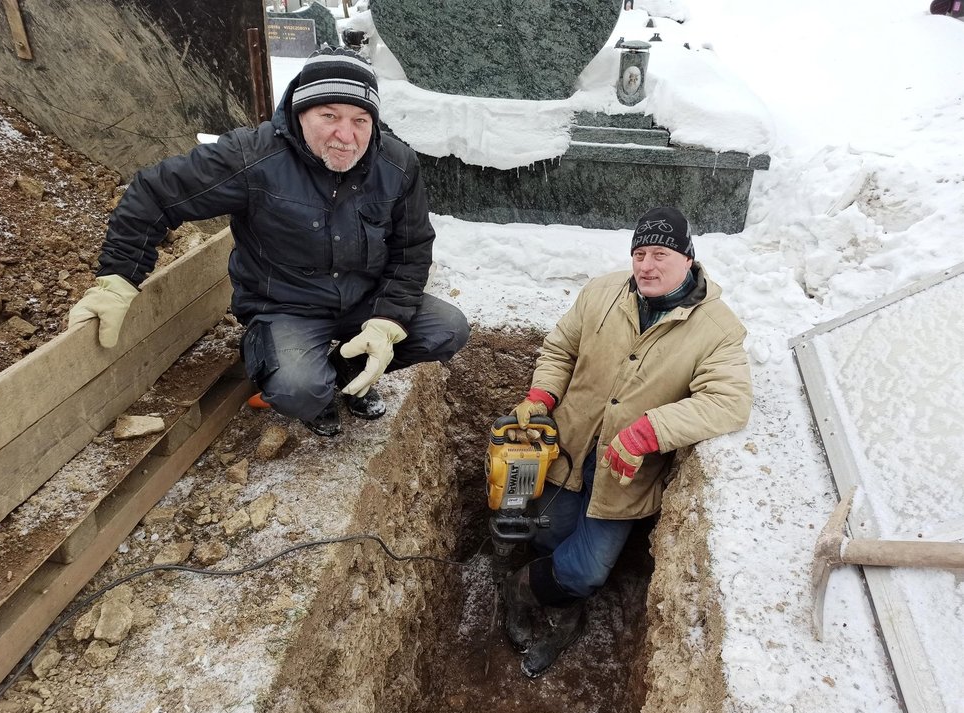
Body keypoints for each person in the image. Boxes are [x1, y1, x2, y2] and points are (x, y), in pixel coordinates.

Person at [68, 48, 470, 436]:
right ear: (300, 110)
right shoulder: (253, 158)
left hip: (365, 299)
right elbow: (155, 193)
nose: (345, 135)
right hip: (287, 307)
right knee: (299, 390)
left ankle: (344, 373)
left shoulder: (396, 165)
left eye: (360, 119)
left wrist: (387, 319)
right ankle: (313, 390)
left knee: (447, 328)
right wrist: (118, 278)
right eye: (329, 115)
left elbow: (411, 248)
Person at [503, 206, 752, 677]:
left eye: (661, 253)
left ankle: (525, 591)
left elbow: (729, 402)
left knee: (588, 570)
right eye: (639, 253)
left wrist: (647, 431)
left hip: (623, 473)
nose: (647, 265)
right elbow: (560, 349)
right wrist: (541, 395)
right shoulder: (602, 293)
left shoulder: (716, 329)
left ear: (688, 258)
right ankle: (556, 596)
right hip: (570, 449)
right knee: (545, 532)